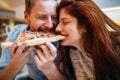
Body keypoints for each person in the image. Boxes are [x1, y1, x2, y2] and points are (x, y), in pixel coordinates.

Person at [0, 0, 66, 80]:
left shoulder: (66, 36)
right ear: (27, 17)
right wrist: (16, 64)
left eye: (54, 17)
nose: (49, 25)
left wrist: (50, 69)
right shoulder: (16, 36)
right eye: (42, 17)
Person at [54, 0, 120, 80]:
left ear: (86, 25)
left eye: (65, 22)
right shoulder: (74, 52)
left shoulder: (117, 48)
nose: (57, 28)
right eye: (59, 22)